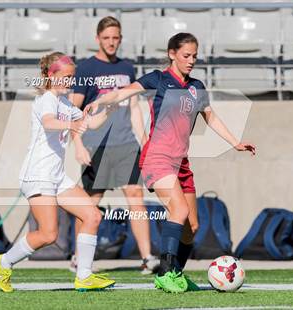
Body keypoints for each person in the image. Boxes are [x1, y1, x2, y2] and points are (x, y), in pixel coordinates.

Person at [83, 32, 256, 293]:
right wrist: (98, 101)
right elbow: (122, 93)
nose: (191, 60)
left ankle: (175, 273)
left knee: (192, 226)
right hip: (157, 158)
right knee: (179, 210)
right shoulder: (158, 79)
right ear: (172, 54)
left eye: (195, 56)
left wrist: (235, 142)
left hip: (181, 163)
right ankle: (164, 273)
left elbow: (211, 117)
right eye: (186, 55)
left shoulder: (197, 86)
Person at [0, 52, 115, 292]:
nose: (71, 81)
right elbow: (49, 122)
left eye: (73, 77)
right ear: (51, 76)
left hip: (56, 176)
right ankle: (4, 262)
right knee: (48, 234)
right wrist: (72, 124)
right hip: (38, 175)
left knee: (92, 216)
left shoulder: (66, 104)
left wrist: (109, 108)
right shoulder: (46, 100)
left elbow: (91, 123)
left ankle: (84, 276)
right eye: (67, 77)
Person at [70, 16, 159, 273]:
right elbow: (74, 111)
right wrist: (78, 144)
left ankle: (147, 258)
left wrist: (144, 142)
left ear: (120, 39)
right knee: (90, 202)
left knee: (135, 196)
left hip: (125, 145)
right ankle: (79, 257)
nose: (111, 42)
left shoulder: (128, 68)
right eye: (106, 38)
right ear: (97, 39)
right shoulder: (86, 69)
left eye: (115, 38)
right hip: (95, 145)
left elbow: (133, 108)